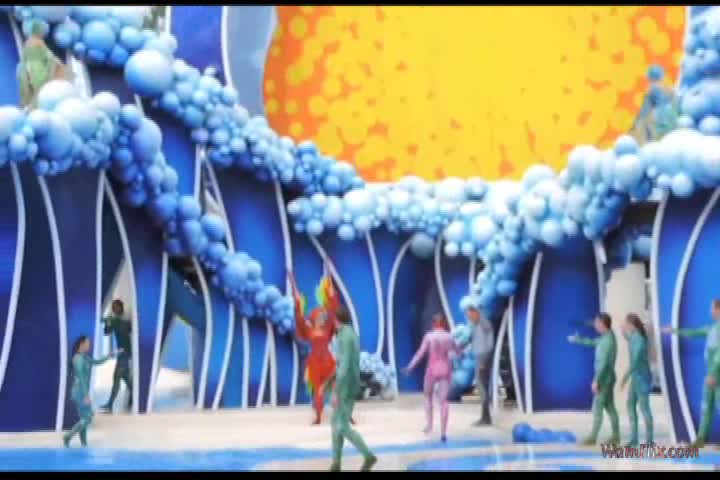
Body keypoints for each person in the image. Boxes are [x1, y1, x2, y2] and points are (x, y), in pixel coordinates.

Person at [290, 262, 344, 425]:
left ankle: (345, 415)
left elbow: (333, 304)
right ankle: (319, 417)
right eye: (318, 315)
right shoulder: (309, 329)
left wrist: (329, 276)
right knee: (318, 390)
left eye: (323, 315)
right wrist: (293, 286)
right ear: (313, 318)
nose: (321, 316)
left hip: (328, 361)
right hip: (315, 362)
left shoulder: (328, 326)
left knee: (336, 389)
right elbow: (299, 314)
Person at [662, 298, 720, 448]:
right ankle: (700, 439)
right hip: (710, 374)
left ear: (718, 309)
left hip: (716, 374)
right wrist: (674, 330)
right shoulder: (713, 328)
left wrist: (714, 373)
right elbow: (694, 332)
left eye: (712, 308)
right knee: (706, 407)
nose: (710, 311)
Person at [328, 305, 377, 472]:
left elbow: (345, 364)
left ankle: (368, 454)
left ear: (336, 319)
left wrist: (336, 390)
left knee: (341, 425)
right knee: (336, 423)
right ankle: (336, 462)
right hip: (349, 383)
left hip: (346, 385)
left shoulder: (345, 336)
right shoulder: (349, 334)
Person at [402, 313, 463, 442]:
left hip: (432, 369)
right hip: (445, 369)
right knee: (444, 401)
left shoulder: (429, 336)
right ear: (444, 323)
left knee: (428, 397)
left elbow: (420, 353)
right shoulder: (449, 337)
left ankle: (429, 425)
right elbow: (458, 352)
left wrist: (410, 367)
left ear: (434, 323)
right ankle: (443, 432)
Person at [568, 312, 620, 446]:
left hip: (604, 379)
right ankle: (616, 436)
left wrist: (597, 380)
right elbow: (593, 342)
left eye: (597, 323)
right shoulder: (607, 337)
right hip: (608, 377)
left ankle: (593, 437)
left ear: (602, 324)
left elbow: (603, 363)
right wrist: (578, 339)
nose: (595, 325)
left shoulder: (607, 341)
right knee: (610, 407)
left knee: (598, 408)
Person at [63, 335, 118, 447]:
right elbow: (81, 378)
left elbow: (97, 362)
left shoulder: (85, 357)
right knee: (88, 417)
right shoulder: (78, 359)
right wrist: (86, 395)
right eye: (88, 343)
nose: (89, 345)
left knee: (84, 418)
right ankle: (68, 436)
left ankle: (84, 443)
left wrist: (109, 355)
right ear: (82, 344)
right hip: (79, 392)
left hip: (82, 392)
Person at [17, 20, 66, 109]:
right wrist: (55, 63)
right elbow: (48, 56)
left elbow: (25, 58)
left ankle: (31, 105)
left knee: (32, 90)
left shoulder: (28, 42)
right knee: (40, 89)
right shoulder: (38, 42)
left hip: (30, 69)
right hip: (37, 69)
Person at [620, 313, 653, 447]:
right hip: (636, 377)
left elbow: (635, 362)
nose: (626, 325)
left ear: (632, 325)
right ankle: (634, 438)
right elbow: (630, 340)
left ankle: (649, 441)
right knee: (630, 405)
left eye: (626, 324)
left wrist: (624, 377)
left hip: (642, 377)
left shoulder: (640, 339)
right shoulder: (634, 336)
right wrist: (623, 332)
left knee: (644, 408)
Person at [100, 300, 133, 413]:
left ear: (121, 307)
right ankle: (135, 397)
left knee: (117, 376)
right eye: (113, 307)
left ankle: (110, 404)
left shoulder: (124, 320)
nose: (114, 309)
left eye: (115, 307)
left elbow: (129, 329)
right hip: (122, 353)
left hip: (125, 353)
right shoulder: (114, 321)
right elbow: (106, 332)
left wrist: (110, 321)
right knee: (125, 377)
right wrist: (107, 323)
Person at [465, 306, 494, 426]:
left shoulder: (484, 323)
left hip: (483, 358)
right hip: (479, 357)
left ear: (476, 313)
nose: (469, 318)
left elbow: (489, 344)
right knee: (480, 386)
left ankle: (486, 418)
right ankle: (484, 417)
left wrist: (484, 361)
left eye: (470, 315)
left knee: (482, 386)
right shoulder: (476, 325)